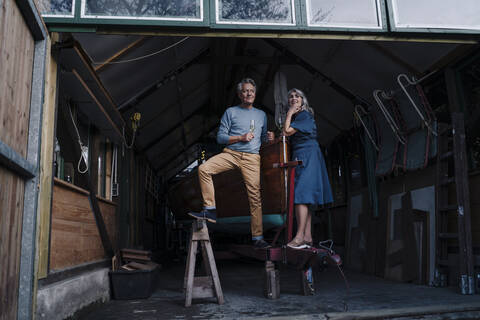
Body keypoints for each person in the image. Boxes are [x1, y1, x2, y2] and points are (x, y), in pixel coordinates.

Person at [188, 78, 275, 249]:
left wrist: (269, 138)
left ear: (255, 94)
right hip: (231, 153)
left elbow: (262, 137)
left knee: (255, 197)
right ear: (239, 94)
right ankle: (210, 209)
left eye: (251, 91)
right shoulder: (231, 112)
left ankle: (257, 237)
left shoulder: (261, 115)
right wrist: (240, 138)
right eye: (245, 91)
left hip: (252, 158)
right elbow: (220, 138)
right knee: (204, 169)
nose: (248, 93)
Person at [282, 88, 333, 249]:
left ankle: (298, 237)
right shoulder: (299, 118)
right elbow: (285, 135)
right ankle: (307, 237)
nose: (294, 98)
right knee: (306, 197)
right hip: (302, 155)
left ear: (303, 100)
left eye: (297, 96)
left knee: (300, 195)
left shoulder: (303, 115)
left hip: (308, 155)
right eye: (291, 97)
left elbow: (286, 131)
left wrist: (289, 113)